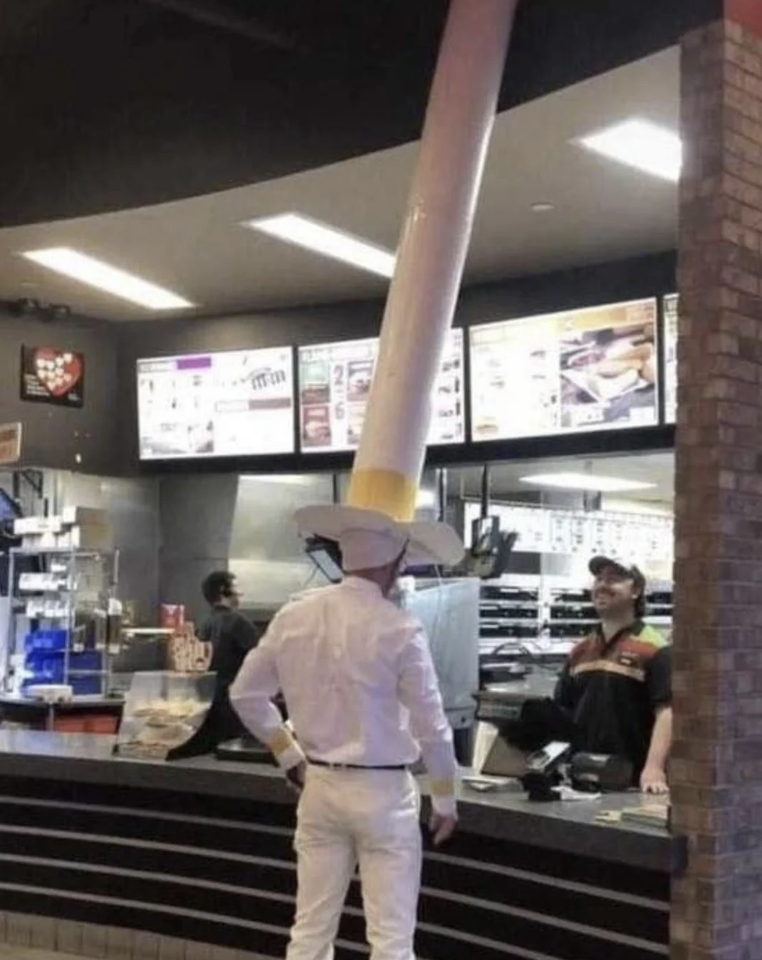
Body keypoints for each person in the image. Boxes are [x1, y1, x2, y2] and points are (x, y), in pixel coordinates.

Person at [230, 503, 463, 960]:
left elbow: (245, 695)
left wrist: (289, 755)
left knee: (310, 930)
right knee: (391, 938)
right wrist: (445, 797)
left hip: (318, 785)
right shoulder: (400, 627)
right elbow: (431, 726)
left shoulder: (293, 615)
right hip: (384, 792)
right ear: (395, 564)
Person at [554, 555, 672, 795]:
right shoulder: (580, 651)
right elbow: (561, 712)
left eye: (614, 579)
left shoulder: (655, 648)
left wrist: (654, 768)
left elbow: (668, 713)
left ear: (636, 590)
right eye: (598, 578)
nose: (602, 585)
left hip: (630, 783)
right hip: (579, 781)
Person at [196, 570, 261, 748]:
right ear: (224, 590)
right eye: (237, 586)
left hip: (209, 705)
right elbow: (261, 663)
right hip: (235, 708)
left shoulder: (205, 624)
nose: (241, 593)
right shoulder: (238, 623)